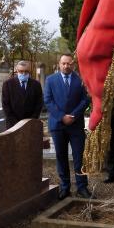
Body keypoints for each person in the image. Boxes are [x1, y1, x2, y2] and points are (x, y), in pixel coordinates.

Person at [44, 53, 91, 199]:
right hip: (58, 125)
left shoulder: (80, 80)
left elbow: (85, 100)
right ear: (59, 64)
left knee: (79, 157)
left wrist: (73, 116)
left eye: (69, 63)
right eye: (64, 63)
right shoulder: (50, 80)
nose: (66, 66)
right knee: (61, 156)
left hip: (75, 125)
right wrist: (62, 116)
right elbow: (48, 100)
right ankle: (65, 187)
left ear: (73, 65)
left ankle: (82, 187)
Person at [1, 60, 44, 129]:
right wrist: (17, 124)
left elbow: (39, 104)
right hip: (13, 125)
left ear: (29, 72)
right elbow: (6, 105)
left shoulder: (36, 85)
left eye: (26, 71)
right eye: (21, 71)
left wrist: (30, 121)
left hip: (30, 124)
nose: (24, 73)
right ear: (17, 71)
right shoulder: (8, 84)